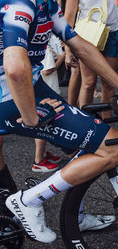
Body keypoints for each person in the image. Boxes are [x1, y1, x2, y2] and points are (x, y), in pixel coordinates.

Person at [0, 0, 118, 242]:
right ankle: (29, 201)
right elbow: (15, 68)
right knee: (113, 146)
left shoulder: (46, 3)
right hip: (11, 96)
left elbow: (80, 46)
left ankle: (71, 215)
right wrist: (32, 116)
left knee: (84, 142)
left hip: (24, 90)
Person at [65, 0, 118, 115]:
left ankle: (105, 124)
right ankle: (87, 122)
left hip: (111, 33)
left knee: (108, 83)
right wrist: (68, 50)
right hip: (87, 37)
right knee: (89, 83)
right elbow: (68, 17)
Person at [32, 34, 65, 173]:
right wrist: (61, 58)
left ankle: (43, 154)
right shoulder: (44, 43)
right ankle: (38, 161)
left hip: (43, 89)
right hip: (46, 90)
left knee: (44, 122)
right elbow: (46, 70)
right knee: (43, 124)